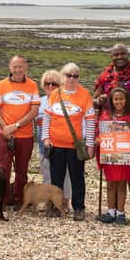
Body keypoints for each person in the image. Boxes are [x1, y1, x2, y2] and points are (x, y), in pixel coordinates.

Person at [93, 43, 130, 222]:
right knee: (113, 174)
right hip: (111, 126)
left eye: (122, 54)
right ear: (112, 56)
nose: (119, 57)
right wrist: (100, 99)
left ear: (127, 54)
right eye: (115, 54)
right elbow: (94, 100)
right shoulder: (105, 76)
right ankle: (114, 211)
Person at [41, 63, 94, 221]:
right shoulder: (55, 94)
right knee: (56, 178)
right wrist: (45, 138)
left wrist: (90, 145)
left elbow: (90, 121)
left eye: (75, 75)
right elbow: (47, 117)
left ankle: (79, 208)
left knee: (77, 177)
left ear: (79, 78)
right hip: (55, 145)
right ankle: (57, 206)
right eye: (68, 75)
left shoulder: (85, 95)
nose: (72, 78)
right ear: (62, 77)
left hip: (75, 146)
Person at [0, 55, 40, 209]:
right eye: (15, 67)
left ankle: (20, 199)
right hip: (4, 133)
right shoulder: (2, 84)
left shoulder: (32, 85)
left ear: (25, 67)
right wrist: (5, 127)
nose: (17, 70)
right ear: (9, 67)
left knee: (22, 170)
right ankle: (4, 199)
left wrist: (16, 125)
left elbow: (34, 111)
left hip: (25, 134)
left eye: (20, 66)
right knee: (3, 169)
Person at [95, 87, 130, 225]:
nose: (119, 102)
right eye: (116, 99)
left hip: (124, 155)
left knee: (122, 183)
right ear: (111, 101)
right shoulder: (106, 116)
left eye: (121, 99)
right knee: (111, 183)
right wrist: (98, 139)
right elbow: (98, 132)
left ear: (126, 100)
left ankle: (120, 212)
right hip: (110, 154)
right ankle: (111, 211)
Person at [36, 69, 71, 200]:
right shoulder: (39, 102)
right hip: (43, 146)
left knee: (65, 174)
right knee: (47, 173)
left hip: (62, 144)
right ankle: (49, 201)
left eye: (53, 84)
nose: (50, 86)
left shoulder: (66, 101)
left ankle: (65, 200)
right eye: (47, 84)